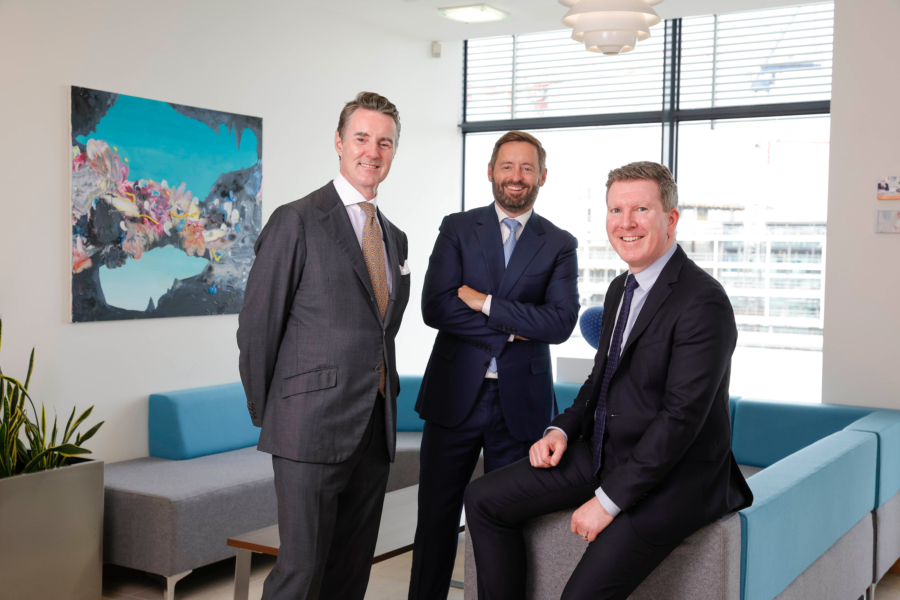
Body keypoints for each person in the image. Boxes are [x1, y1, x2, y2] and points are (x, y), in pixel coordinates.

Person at [464, 161, 753, 600]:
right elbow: (600, 379)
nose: (626, 223)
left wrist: (607, 502)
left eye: (640, 209)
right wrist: (562, 429)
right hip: (607, 451)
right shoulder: (622, 289)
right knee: (484, 499)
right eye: (616, 211)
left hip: (674, 478)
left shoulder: (703, 301)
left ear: (670, 219)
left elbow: (680, 421)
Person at [237, 92, 410, 600]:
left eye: (385, 142)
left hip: (373, 431)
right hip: (308, 430)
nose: (372, 152)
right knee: (300, 574)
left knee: (350, 574)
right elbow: (257, 329)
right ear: (339, 142)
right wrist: (276, 414)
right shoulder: (297, 220)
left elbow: (384, 332)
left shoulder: (394, 237)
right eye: (361, 138)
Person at [409, 131, 580, 599]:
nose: (516, 177)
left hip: (520, 406)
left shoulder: (559, 243)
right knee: (436, 521)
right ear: (490, 171)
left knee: (506, 525)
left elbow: (561, 322)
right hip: (454, 397)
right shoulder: (457, 228)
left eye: (527, 168)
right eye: (507, 166)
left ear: (542, 176)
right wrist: (517, 327)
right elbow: (436, 307)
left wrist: (485, 303)